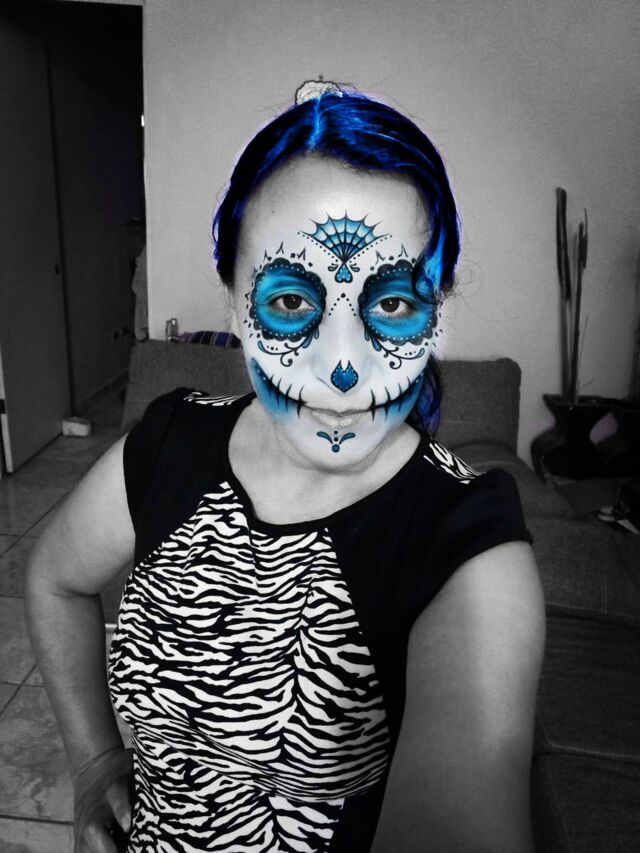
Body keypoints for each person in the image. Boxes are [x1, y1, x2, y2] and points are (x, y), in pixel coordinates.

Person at [25, 82, 545, 853]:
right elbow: (53, 578)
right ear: (234, 305)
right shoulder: (168, 441)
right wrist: (95, 757)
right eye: (294, 303)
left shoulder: (467, 543)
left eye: (392, 305)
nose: (343, 369)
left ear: (438, 310)